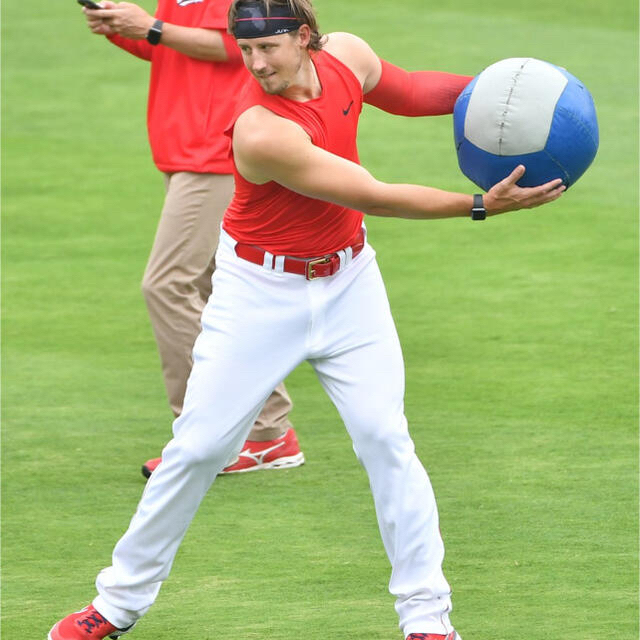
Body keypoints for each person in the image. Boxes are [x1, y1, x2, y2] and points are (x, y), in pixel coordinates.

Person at [49, 1, 565, 638]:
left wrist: (512, 93)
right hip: (258, 293)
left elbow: (407, 90)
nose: (256, 64)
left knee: (385, 439)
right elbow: (372, 193)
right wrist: (480, 206)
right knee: (200, 448)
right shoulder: (261, 130)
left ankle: (428, 620)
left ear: (304, 36)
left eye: (268, 48)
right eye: (246, 50)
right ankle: (114, 605)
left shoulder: (348, 56)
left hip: (349, 280)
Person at [81, 0, 304, 476]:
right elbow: (178, 53)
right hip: (182, 151)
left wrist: (154, 28)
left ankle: (204, 436)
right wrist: (126, 31)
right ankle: (269, 434)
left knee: (167, 285)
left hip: (217, 151)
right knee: (222, 293)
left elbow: (238, 49)